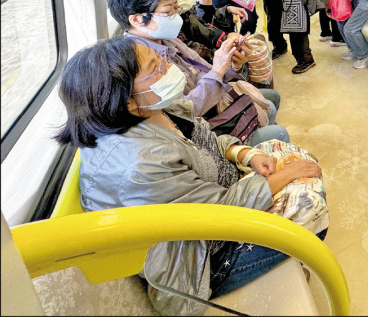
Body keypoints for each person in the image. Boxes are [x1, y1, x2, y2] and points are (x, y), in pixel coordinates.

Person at [54, 37, 325, 315]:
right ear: (126, 102)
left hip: (218, 193)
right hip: (202, 262)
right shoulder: (141, 164)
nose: (168, 67)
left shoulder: (156, 108)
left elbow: (205, 140)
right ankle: (292, 260)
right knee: (310, 203)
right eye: (155, 67)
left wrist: (245, 155)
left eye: (161, 59)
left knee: (279, 153)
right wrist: (290, 173)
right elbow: (223, 212)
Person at [107, 0, 285, 146]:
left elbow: (203, 69)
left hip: (211, 107)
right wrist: (218, 70)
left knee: (271, 100)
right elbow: (183, 113)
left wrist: (233, 65)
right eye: (169, 11)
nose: (177, 16)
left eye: (176, 8)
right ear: (137, 19)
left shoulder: (165, 38)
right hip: (199, 128)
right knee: (276, 125)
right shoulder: (140, 63)